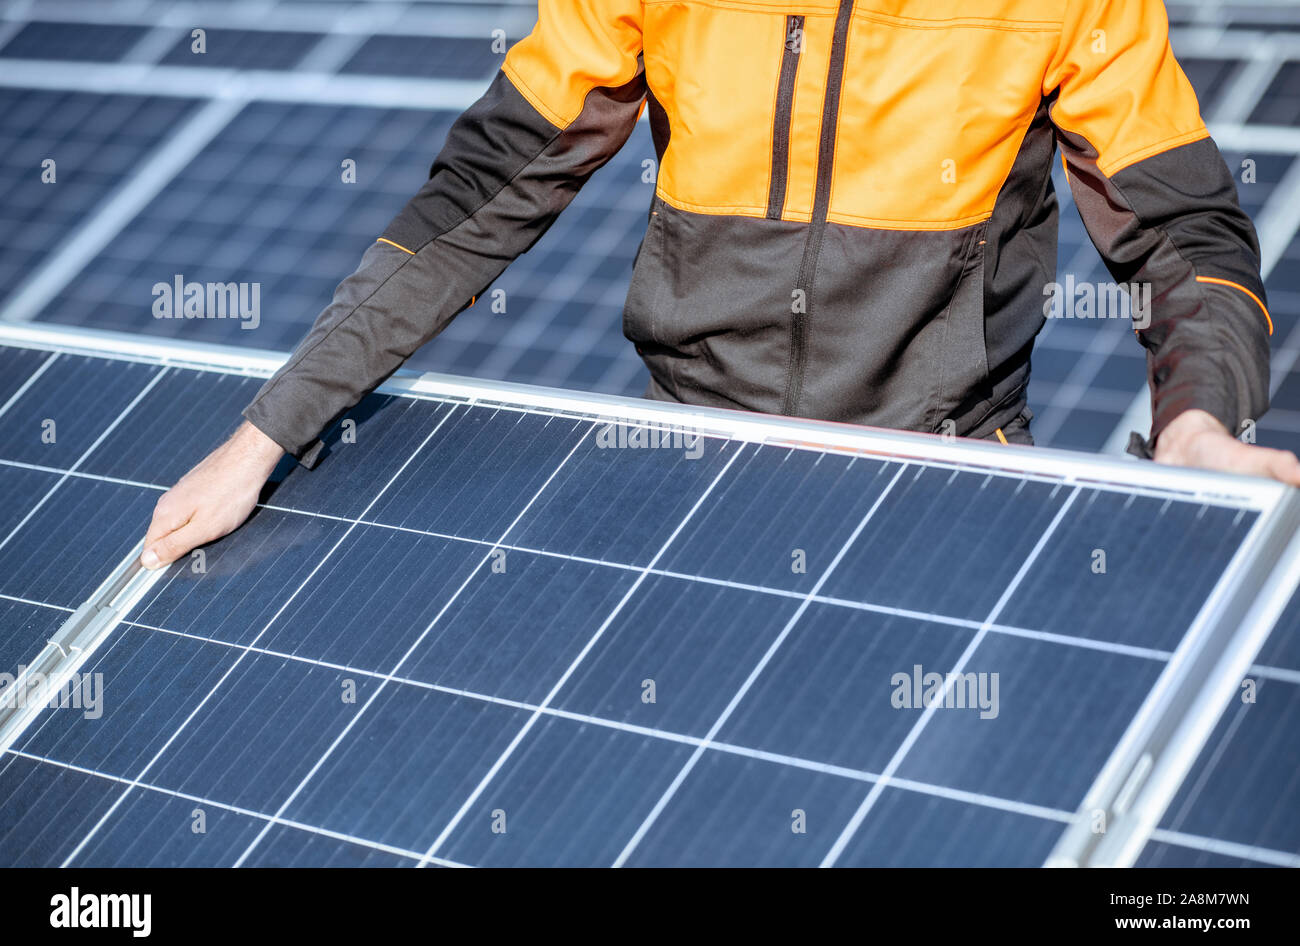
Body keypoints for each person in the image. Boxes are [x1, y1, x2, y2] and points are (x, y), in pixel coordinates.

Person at [140, 0, 1300, 570]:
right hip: (684, 487)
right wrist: (268, 430)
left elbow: (1184, 230)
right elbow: (485, 190)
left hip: (945, 496)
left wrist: (1196, 421)